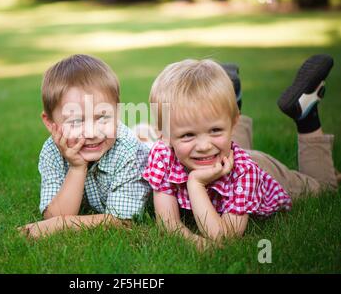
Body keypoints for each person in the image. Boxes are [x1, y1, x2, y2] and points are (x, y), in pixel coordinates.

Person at [141, 55, 339, 246]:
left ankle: (306, 112)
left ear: (234, 122)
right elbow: (168, 224)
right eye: (188, 135)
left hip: (260, 170)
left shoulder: (246, 173)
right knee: (217, 142)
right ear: (164, 135)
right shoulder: (162, 156)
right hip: (225, 153)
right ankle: (230, 99)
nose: (204, 146)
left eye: (215, 130)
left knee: (324, 187)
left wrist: (195, 183)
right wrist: (196, 243)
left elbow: (224, 238)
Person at [19, 54, 151, 238]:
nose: (91, 133)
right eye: (76, 121)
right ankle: (143, 131)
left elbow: (122, 222)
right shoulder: (52, 151)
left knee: (149, 143)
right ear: (50, 123)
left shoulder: (130, 152)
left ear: (118, 111)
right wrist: (76, 167)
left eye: (102, 117)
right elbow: (53, 216)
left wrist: (61, 225)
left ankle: (146, 135)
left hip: (145, 152)